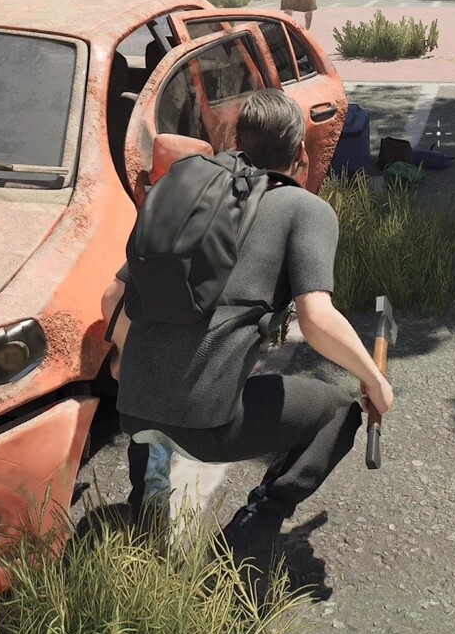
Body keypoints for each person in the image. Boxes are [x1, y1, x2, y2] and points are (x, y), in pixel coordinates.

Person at [100, 89, 393, 575]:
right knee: (337, 413)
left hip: (132, 406)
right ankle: (248, 533)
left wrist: (126, 356)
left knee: (160, 404)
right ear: (300, 153)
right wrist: (373, 379)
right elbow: (316, 318)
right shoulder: (304, 209)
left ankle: (146, 512)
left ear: (237, 143)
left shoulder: (187, 195)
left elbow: (112, 298)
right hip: (207, 422)